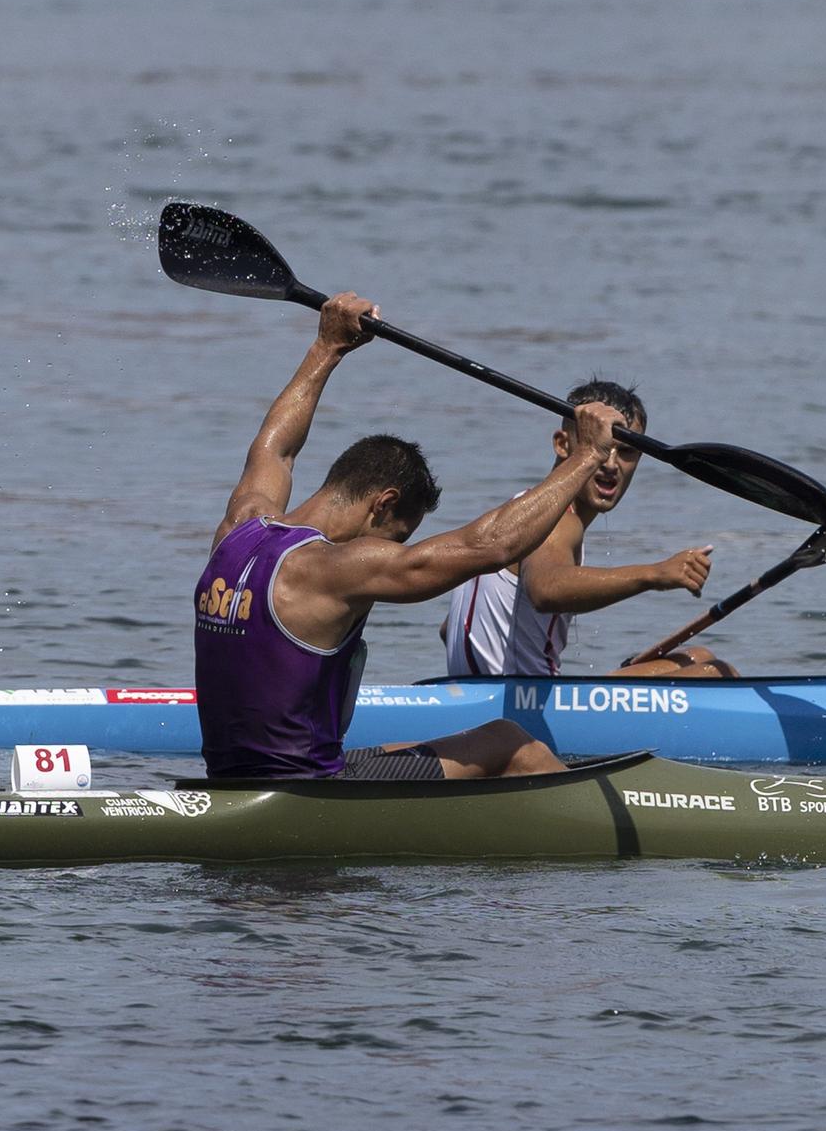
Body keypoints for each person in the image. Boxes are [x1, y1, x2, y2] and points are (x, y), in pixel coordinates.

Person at [194, 292, 621, 781]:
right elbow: (492, 546)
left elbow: (276, 449)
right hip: (305, 795)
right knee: (510, 741)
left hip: (229, 777)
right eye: (398, 537)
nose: (392, 551)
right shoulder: (332, 569)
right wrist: (586, 456)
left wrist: (326, 347)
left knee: (404, 748)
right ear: (384, 504)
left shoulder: (239, 526)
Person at [441, 379, 739, 679]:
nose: (611, 464)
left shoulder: (516, 512)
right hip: (518, 705)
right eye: (600, 446)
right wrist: (655, 574)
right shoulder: (557, 520)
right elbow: (546, 591)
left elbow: (449, 629)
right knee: (717, 674)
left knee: (698, 657)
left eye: (627, 451)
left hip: (487, 690)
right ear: (562, 444)